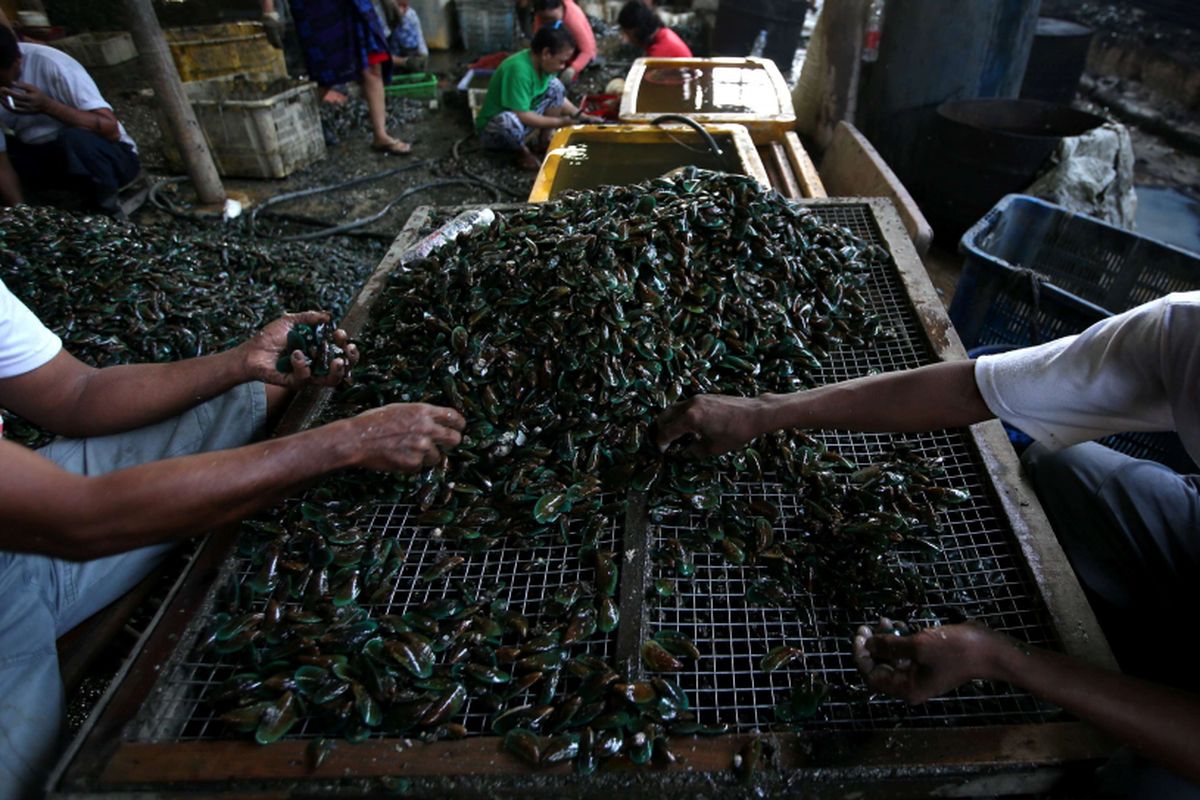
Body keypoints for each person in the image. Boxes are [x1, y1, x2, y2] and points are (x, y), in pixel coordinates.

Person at [654, 292, 1200, 790]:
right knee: (1067, 468)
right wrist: (769, 410)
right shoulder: (1184, 326)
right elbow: (972, 389)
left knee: (1135, 786)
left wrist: (1002, 657)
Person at [0, 278, 465, 799]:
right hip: (47, 540)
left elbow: (74, 393)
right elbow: (79, 521)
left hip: (28, 518)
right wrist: (348, 441)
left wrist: (242, 361)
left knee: (258, 391)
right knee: (55, 783)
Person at [0, 25, 139, 218]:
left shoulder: (52, 64)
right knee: (8, 149)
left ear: (17, 62)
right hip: (50, 160)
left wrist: (48, 106)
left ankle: (107, 210)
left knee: (75, 138)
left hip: (108, 158)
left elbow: (110, 129)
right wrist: (21, 213)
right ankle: (33, 212)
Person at [283, 0, 413, 154]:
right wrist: (268, 11)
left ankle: (381, 135)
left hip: (355, 4)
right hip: (317, 7)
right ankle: (289, 129)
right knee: (325, 73)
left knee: (373, 63)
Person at [475, 25, 601, 171]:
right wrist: (561, 122)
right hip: (495, 130)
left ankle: (544, 140)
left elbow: (559, 97)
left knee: (556, 86)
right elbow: (520, 114)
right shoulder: (518, 70)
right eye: (561, 61)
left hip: (523, 119)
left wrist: (581, 115)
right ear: (546, 53)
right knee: (508, 122)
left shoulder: (543, 66)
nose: (562, 67)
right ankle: (522, 153)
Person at [531, 0, 596, 84]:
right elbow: (537, 42)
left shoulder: (573, 20)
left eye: (551, 19)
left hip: (578, 49)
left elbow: (588, 51)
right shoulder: (541, 16)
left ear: (561, 8)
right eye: (545, 19)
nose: (548, 22)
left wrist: (573, 69)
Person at [617, 0, 692, 59]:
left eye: (627, 34)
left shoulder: (659, 53)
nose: (626, 40)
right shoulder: (663, 33)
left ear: (637, 31)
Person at [383, 0, 429, 72]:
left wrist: (424, 53)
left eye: (405, 6)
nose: (403, 10)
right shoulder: (384, 17)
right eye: (399, 6)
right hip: (395, 54)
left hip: (412, 52)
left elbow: (419, 35)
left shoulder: (411, 15)